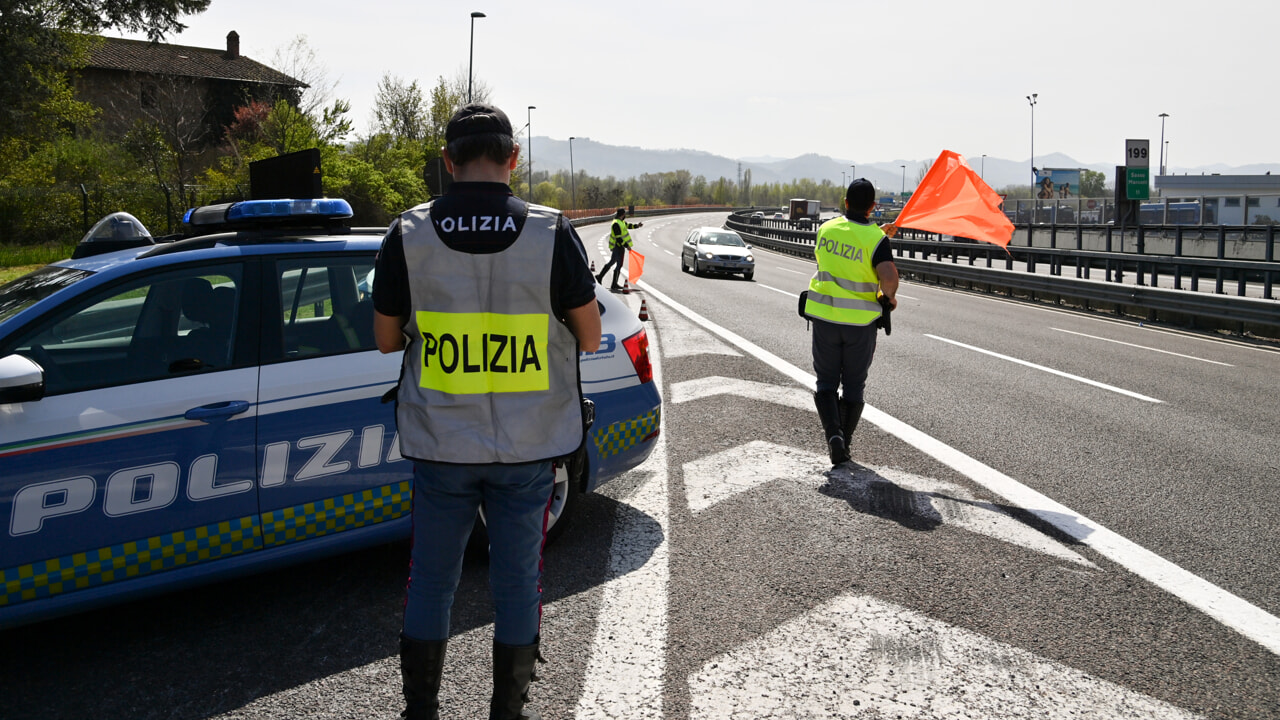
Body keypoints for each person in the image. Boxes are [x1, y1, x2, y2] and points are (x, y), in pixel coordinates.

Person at [373, 102, 602, 720]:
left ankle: (420, 709)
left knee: (432, 580)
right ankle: (508, 712)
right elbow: (587, 336)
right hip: (528, 448)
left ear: (447, 163)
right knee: (516, 581)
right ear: (514, 159)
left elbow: (387, 340)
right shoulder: (550, 234)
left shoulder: (407, 233)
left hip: (440, 443)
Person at [801, 178, 899, 467]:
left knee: (826, 383)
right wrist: (889, 297)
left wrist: (877, 236)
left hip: (825, 319)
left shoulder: (825, 230)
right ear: (873, 206)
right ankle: (844, 441)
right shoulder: (876, 240)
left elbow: (844, 250)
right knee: (854, 386)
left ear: (845, 202)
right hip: (860, 325)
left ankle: (833, 437)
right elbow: (888, 276)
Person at [595, 207, 642, 290]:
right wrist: (626, 246)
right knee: (619, 264)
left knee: (612, 262)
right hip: (618, 246)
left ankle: (601, 277)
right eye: (625, 214)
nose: (625, 216)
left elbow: (628, 226)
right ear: (623, 214)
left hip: (619, 246)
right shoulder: (616, 223)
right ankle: (613, 283)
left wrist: (637, 226)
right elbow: (619, 238)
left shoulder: (621, 222)